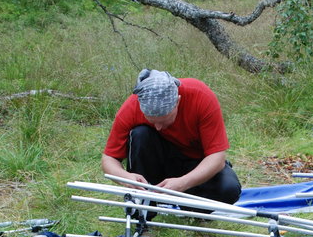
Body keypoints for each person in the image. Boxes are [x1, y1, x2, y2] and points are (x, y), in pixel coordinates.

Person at [102, 69, 241, 205]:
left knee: (229, 189)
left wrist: (182, 183)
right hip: (160, 163)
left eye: (163, 120)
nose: (158, 127)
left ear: (178, 102)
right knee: (140, 134)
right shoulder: (131, 106)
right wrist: (125, 178)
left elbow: (217, 157)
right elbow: (109, 158)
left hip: (196, 163)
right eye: (152, 121)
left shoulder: (201, 96)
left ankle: (193, 209)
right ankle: (144, 209)